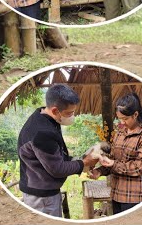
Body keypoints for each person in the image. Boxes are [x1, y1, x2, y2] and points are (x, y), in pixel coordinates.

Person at [17, 84, 99, 217]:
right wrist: (84, 163)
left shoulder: (45, 117)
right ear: (55, 110)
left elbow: (56, 154)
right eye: (69, 113)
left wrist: (80, 161)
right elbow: (57, 169)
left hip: (44, 189)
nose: (72, 116)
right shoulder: (42, 133)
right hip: (41, 196)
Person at [89, 93, 142, 214]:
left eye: (125, 119)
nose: (122, 122)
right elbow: (113, 160)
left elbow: (140, 168)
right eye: (119, 119)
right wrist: (100, 171)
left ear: (135, 114)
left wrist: (113, 163)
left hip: (133, 197)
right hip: (116, 194)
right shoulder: (120, 132)